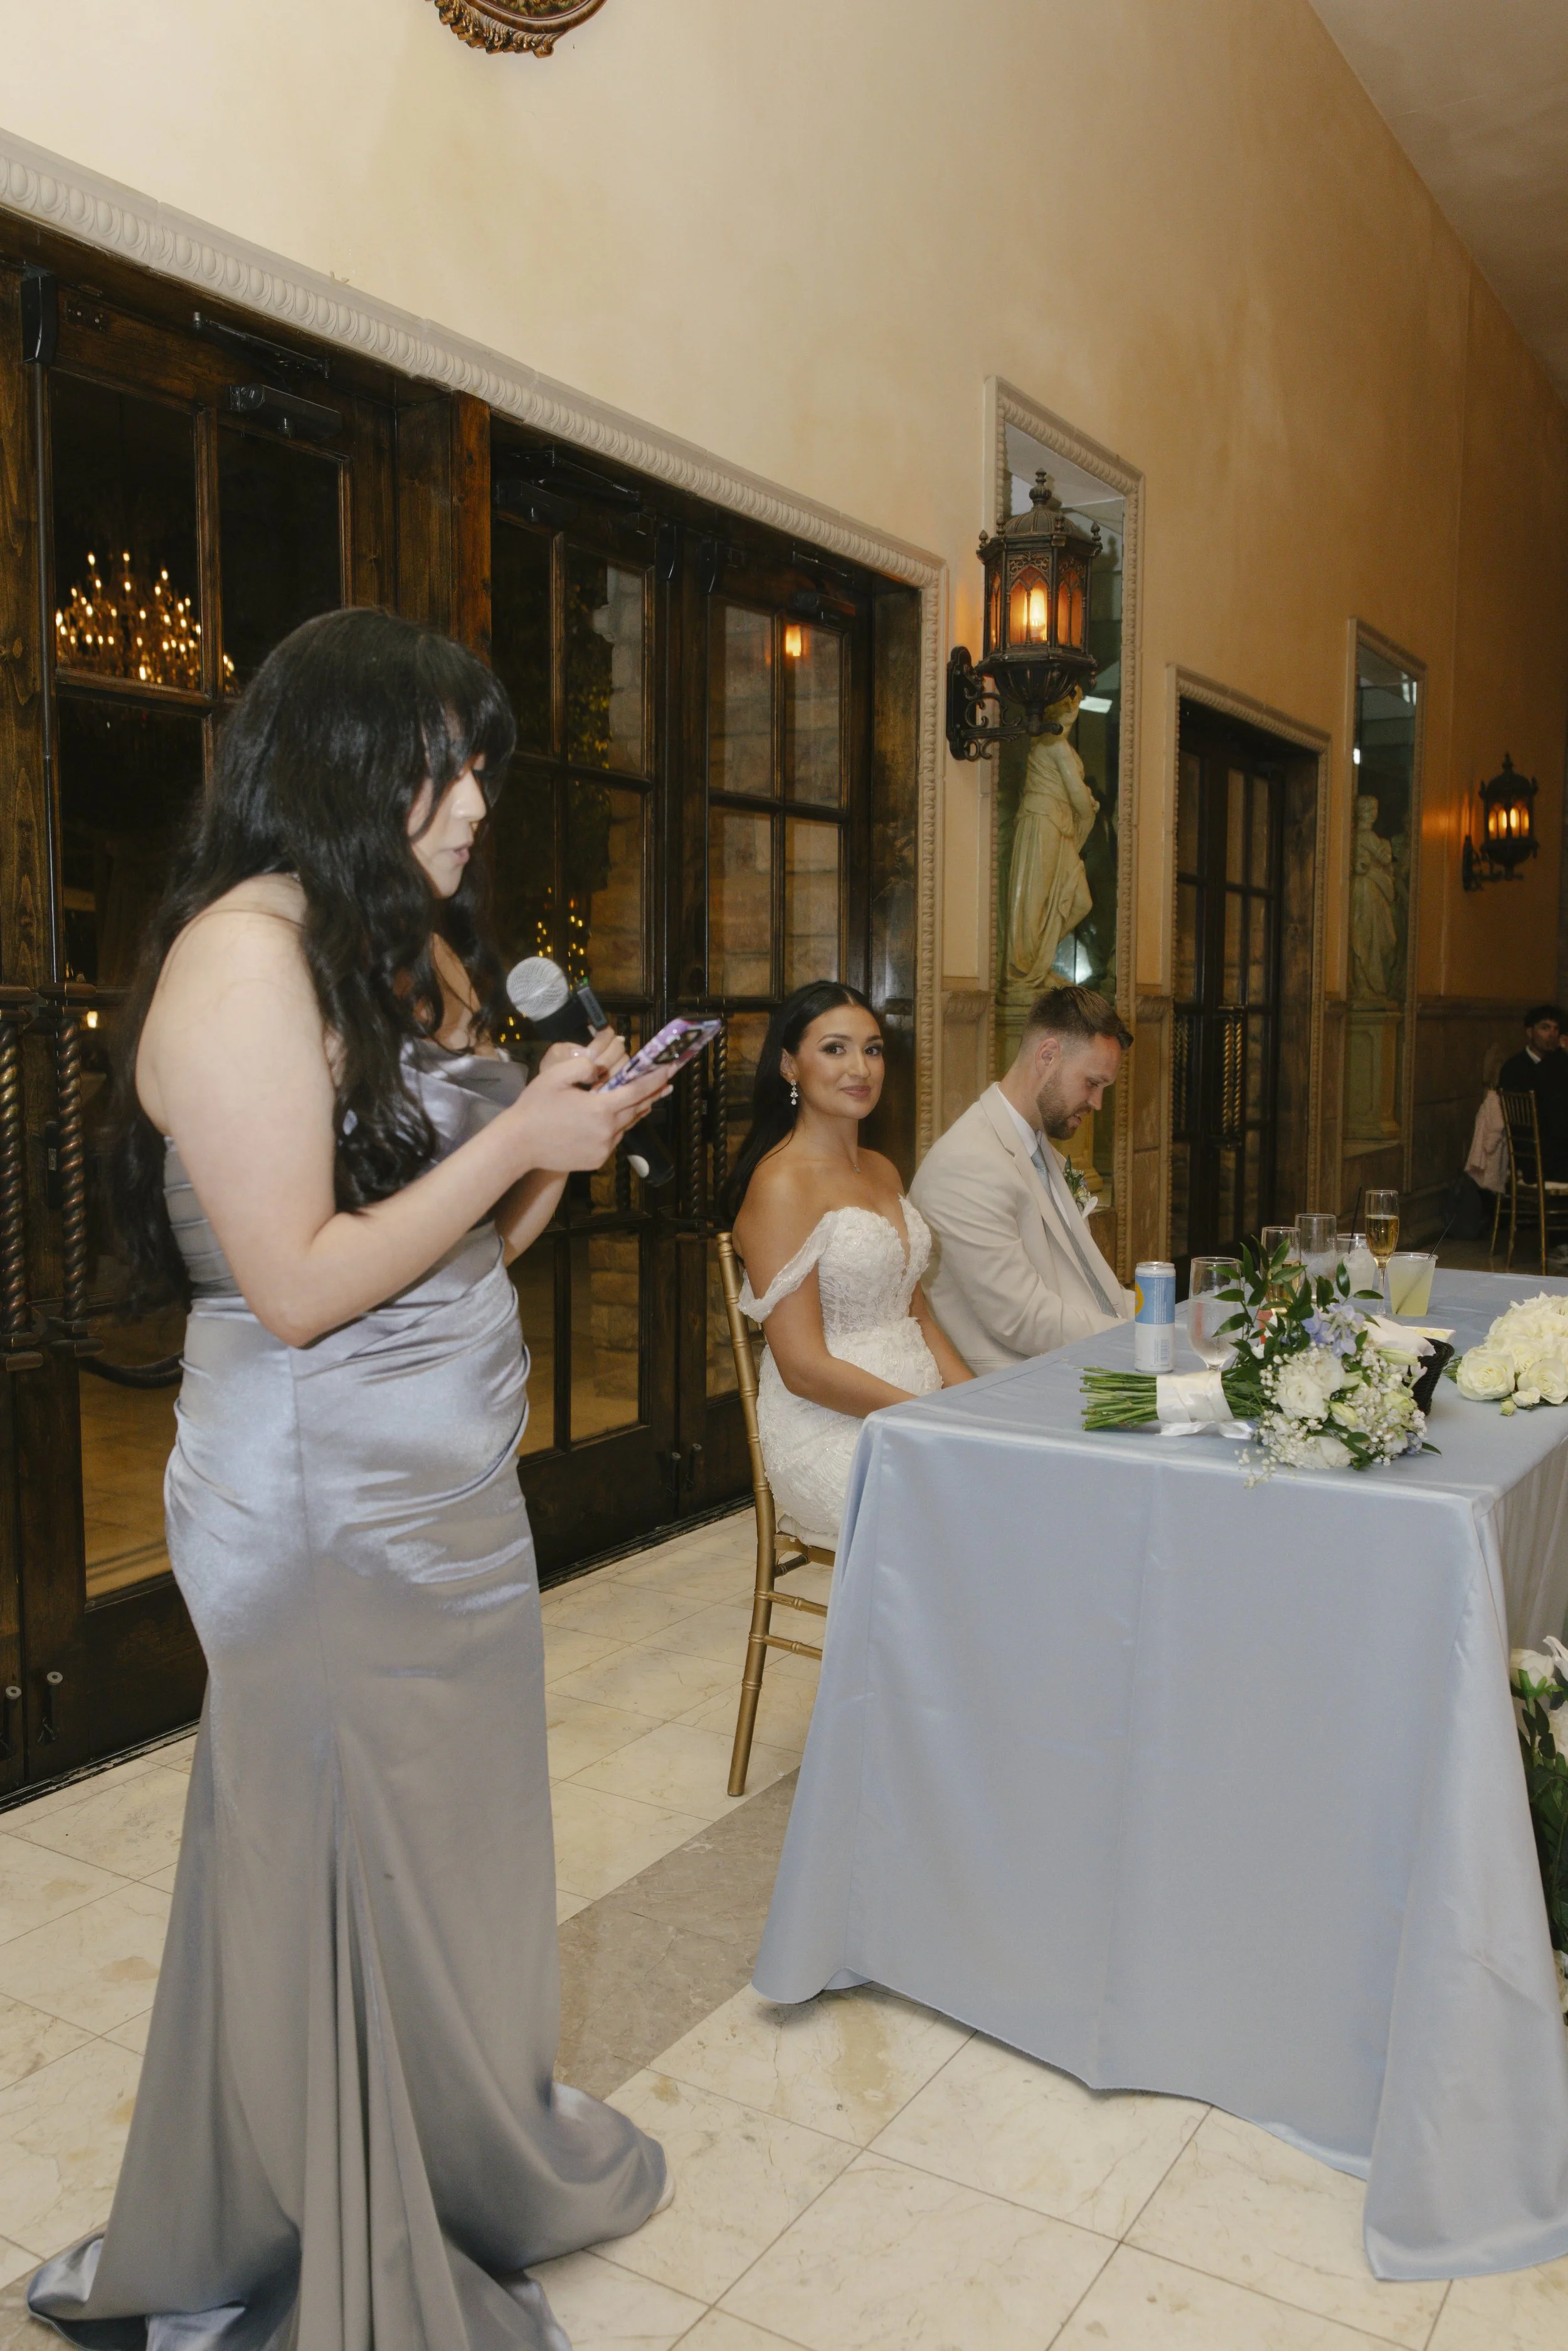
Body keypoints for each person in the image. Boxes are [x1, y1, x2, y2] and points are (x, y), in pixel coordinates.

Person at [29, 610, 673, 2351]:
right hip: (317, 1498)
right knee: (332, 1853)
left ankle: (444, 2149)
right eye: (441, 767)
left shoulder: (384, 949)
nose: (473, 805)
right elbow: (303, 1280)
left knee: (436, 1851)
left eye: (481, 769)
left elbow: (472, 1250)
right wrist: (516, 1144)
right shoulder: (239, 960)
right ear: (334, 766)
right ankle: (334, 2223)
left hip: (444, 1481)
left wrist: (560, 1139)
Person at [725, 980, 972, 1547]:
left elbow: (920, 1318)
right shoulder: (782, 1184)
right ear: (790, 1066)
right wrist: (929, 1418)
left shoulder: (882, 1170)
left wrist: (971, 1408)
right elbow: (804, 1369)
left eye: (873, 1048)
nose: (860, 1067)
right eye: (835, 1048)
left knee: (1024, 1477)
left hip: (917, 1406)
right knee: (978, 1515)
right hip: (828, 1426)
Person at [910, 985, 1134, 1375]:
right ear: (1048, 1056)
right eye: (1092, 1083)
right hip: (1014, 1385)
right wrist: (1137, 1339)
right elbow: (1020, 1317)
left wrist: (1177, 1321)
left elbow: (1087, 1282)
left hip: (1079, 1360)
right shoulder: (966, 1163)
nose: (1097, 1103)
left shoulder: (1036, 1144)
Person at [1498, 1002, 1568, 1181]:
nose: (1551, 1034)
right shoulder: (1516, 1068)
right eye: (1545, 1028)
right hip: (1535, 1156)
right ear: (1530, 1032)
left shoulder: (1558, 1063)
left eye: (1555, 1029)